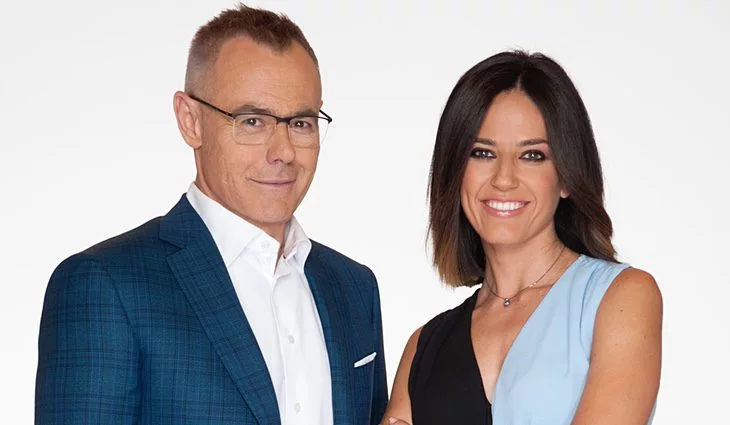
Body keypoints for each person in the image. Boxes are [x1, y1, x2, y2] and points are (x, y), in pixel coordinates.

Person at [35, 5, 387, 424]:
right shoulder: (106, 286)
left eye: (301, 123)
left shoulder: (353, 288)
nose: (283, 152)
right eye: (252, 121)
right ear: (190, 121)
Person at [383, 51, 661, 424]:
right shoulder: (424, 348)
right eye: (482, 153)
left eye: (532, 156)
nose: (504, 179)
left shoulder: (621, 299)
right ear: (455, 171)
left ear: (566, 176)